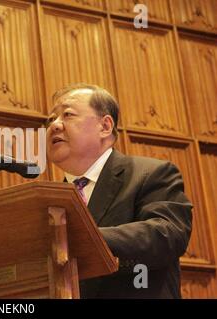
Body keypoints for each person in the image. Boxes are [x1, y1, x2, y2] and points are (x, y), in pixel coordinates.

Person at [45, 83, 192, 298]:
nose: (55, 125)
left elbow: (167, 235)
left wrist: (78, 238)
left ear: (105, 126)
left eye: (67, 114)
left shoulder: (152, 173)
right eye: (50, 119)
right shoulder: (51, 200)